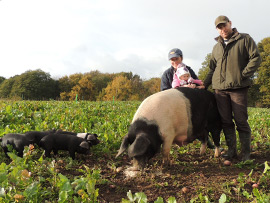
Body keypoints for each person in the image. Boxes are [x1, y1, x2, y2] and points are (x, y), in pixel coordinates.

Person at [204, 15, 261, 161]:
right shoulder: (216, 47)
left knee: (241, 121)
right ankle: (231, 151)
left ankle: (246, 154)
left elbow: (256, 57)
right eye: (219, 27)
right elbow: (212, 68)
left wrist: (243, 75)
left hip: (238, 88)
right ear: (217, 30)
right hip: (220, 90)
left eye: (224, 25)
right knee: (226, 121)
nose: (223, 29)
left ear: (230, 24)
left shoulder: (244, 39)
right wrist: (204, 84)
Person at [160, 48, 217, 149]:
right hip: (174, 106)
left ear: (181, 58)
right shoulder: (167, 74)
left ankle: (207, 141)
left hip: (190, 103)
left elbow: (196, 82)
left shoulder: (188, 70)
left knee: (199, 120)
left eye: (176, 59)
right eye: (172, 60)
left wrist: (194, 86)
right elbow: (164, 92)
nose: (174, 62)